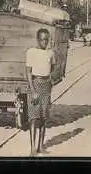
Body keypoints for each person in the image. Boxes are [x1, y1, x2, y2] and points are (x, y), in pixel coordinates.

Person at [25, 28, 56, 156]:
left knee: (44, 118)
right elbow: (28, 72)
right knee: (33, 118)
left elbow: (52, 67)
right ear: (38, 39)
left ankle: (40, 147)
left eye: (47, 39)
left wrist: (48, 79)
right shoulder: (31, 52)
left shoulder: (50, 53)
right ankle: (32, 149)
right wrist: (33, 91)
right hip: (35, 84)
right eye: (42, 39)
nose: (45, 42)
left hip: (46, 85)